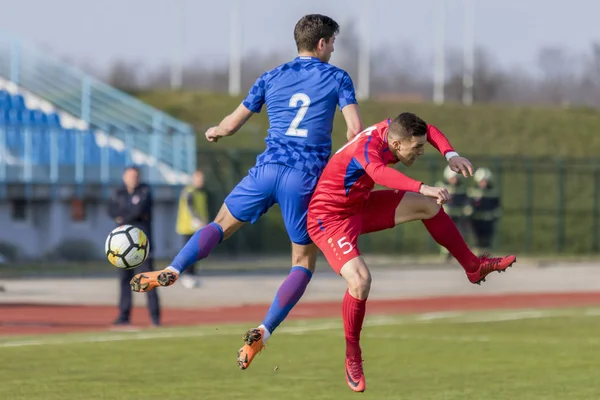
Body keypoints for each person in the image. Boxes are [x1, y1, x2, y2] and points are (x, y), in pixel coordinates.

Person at [129, 14, 363, 368]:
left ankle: (175, 270)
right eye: (332, 43)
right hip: (303, 179)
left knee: (220, 224)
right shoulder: (337, 77)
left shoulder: (270, 76)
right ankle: (263, 331)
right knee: (301, 262)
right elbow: (354, 130)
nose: (333, 49)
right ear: (321, 43)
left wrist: (215, 132)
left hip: (266, 170)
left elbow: (231, 124)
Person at [307, 113, 517, 393]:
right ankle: (352, 355)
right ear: (395, 143)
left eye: (421, 147)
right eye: (415, 148)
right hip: (330, 218)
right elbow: (380, 174)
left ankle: (473, 267)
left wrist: (450, 154)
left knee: (428, 207)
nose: (420, 152)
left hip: (360, 205)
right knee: (360, 281)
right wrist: (423, 187)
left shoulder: (394, 130)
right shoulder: (367, 148)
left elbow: (428, 129)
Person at [108, 166, 160, 327]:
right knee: (124, 280)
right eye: (130, 176)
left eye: (135, 176)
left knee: (148, 280)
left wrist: (123, 217)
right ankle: (124, 315)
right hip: (122, 247)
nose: (133, 179)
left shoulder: (145, 191)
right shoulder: (118, 193)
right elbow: (111, 209)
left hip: (141, 245)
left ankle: (154, 316)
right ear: (124, 177)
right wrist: (125, 215)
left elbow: (138, 211)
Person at [175, 169, 210, 289]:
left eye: (202, 179)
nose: (201, 181)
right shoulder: (189, 192)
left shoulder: (201, 193)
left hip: (198, 228)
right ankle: (186, 275)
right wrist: (198, 220)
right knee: (189, 252)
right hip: (188, 227)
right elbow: (190, 207)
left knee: (197, 252)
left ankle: (193, 275)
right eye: (198, 178)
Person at [435, 165, 469, 261]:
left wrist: (466, 208)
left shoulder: (461, 188)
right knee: (445, 234)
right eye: (453, 178)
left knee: (459, 234)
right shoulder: (441, 186)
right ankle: (446, 253)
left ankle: (458, 253)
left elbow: (465, 200)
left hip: (459, 216)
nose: (455, 180)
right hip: (445, 216)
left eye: (456, 178)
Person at [466, 167, 501, 254]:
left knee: (487, 240)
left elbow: (496, 206)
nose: (483, 183)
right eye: (482, 181)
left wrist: (495, 215)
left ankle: (486, 258)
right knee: (477, 240)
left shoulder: (493, 192)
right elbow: (469, 205)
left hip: (488, 221)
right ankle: (476, 258)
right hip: (476, 220)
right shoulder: (472, 191)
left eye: (485, 181)